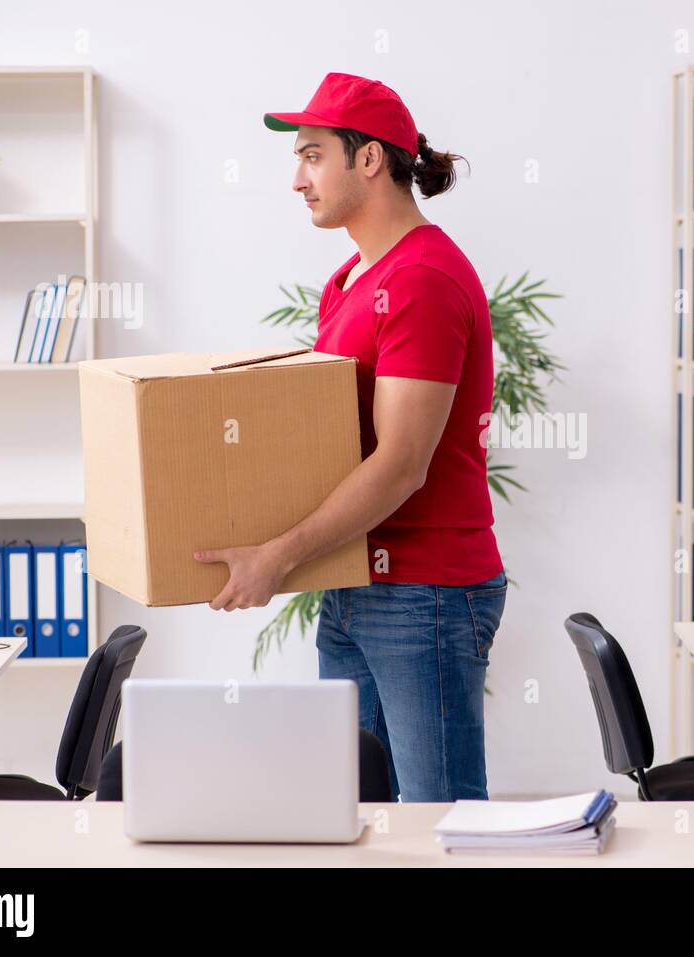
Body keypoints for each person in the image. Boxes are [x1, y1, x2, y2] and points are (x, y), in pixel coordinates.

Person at [193, 73, 506, 801]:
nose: (297, 180)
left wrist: (276, 555)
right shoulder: (351, 280)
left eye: (311, 155)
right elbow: (329, 437)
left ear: (369, 160)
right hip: (356, 581)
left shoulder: (424, 278)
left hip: (425, 592)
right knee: (354, 813)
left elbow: (400, 466)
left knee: (440, 820)